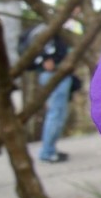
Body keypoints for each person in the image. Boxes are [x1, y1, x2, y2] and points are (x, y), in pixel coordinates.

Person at [22, 26, 73, 163]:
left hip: (60, 74)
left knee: (59, 115)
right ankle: (46, 151)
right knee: (55, 114)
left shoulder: (60, 31)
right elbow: (36, 49)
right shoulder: (44, 30)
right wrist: (44, 60)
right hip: (53, 75)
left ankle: (50, 149)